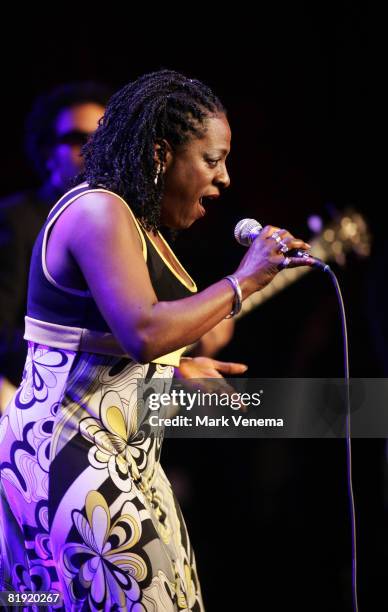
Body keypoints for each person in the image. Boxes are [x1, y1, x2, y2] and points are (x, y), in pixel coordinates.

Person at [0, 69, 314, 610]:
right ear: (162, 154)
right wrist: (242, 281)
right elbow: (143, 331)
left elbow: (104, 349)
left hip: (120, 456)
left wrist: (173, 373)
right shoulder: (97, 209)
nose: (225, 179)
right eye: (212, 161)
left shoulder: (138, 225)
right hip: (69, 460)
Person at [0, 81, 111, 410]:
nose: (92, 150)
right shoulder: (16, 220)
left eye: (102, 139)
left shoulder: (119, 228)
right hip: (32, 406)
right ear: (47, 151)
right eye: (78, 139)